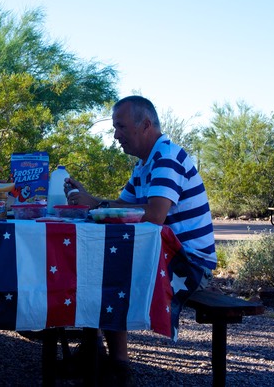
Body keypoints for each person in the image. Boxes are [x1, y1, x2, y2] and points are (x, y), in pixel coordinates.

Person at [65, 95, 216, 386]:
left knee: (107, 266)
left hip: (191, 264)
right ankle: (97, 350)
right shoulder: (145, 163)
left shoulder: (166, 158)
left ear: (145, 124)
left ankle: (118, 365)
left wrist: (95, 204)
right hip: (168, 254)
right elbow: (121, 207)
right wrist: (91, 200)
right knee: (98, 258)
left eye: (120, 127)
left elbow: (153, 215)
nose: (115, 135)